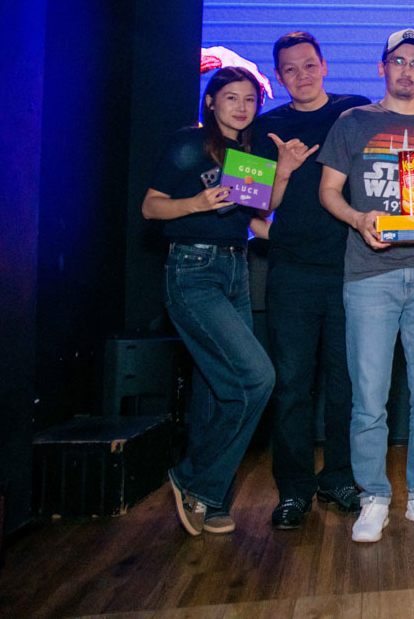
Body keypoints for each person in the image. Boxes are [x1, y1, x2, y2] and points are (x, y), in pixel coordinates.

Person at [317, 28, 414, 543]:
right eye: (397, 61)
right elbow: (328, 190)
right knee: (369, 399)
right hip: (369, 276)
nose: (406, 70)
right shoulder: (353, 122)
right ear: (382, 67)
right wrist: (359, 219)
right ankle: (373, 497)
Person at [141, 66, 275, 537]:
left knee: (216, 387)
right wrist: (196, 203)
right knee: (256, 377)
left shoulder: (249, 154)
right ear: (212, 101)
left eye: (249, 99)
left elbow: (252, 220)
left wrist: (293, 233)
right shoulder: (188, 142)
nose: (241, 107)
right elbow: (151, 206)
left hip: (236, 270)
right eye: (231, 97)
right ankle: (194, 477)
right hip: (192, 269)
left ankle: (211, 497)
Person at [250, 31, 369, 530]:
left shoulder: (355, 110)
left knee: (346, 385)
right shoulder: (265, 127)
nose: (301, 75)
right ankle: (294, 490)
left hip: (352, 270)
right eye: (290, 69)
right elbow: (250, 205)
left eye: (308, 65)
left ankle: (339, 477)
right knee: (292, 386)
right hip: (292, 276)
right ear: (279, 77)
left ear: (324, 65)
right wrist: (281, 170)